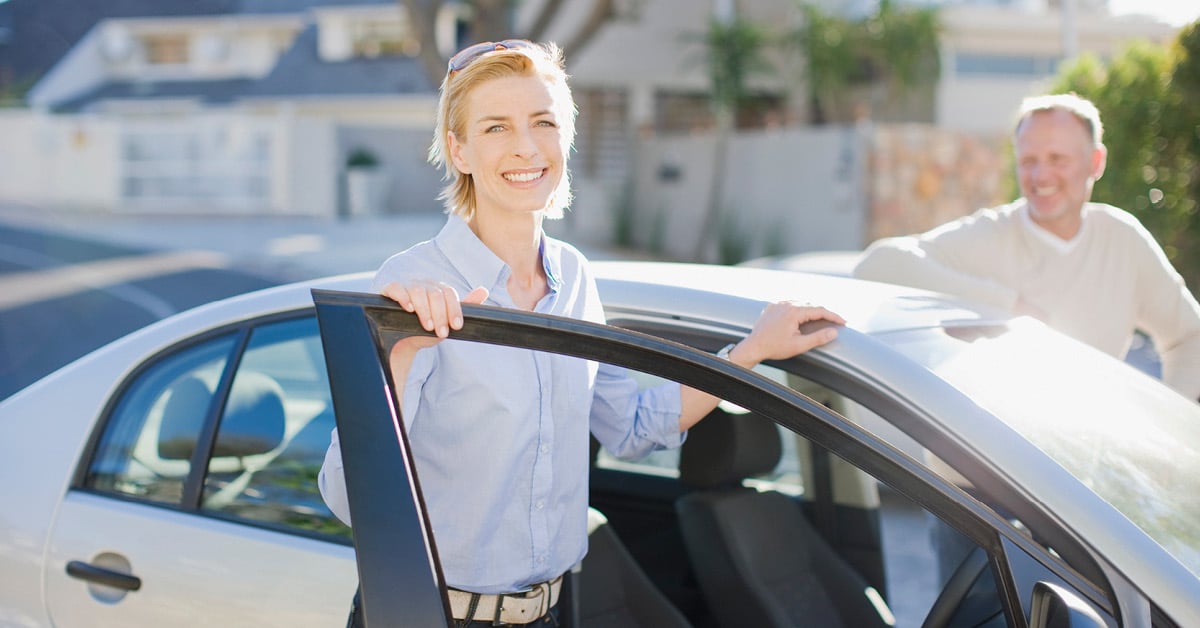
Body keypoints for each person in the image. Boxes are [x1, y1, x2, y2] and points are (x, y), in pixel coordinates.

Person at [318, 39, 845, 627]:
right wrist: (404, 352)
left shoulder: (572, 276)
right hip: (428, 615)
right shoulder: (412, 285)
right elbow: (346, 497)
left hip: (553, 612)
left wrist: (751, 354)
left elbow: (632, 428)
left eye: (543, 122)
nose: (525, 146)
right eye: (495, 128)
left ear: (565, 137)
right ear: (458, 149)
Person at [853, 93, 1200, 401]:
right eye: (1028, 161)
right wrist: (1003, 306)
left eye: (1057, 159)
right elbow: (877, 266)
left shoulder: (1123, 241)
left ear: (1095, 162)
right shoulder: (990, 235)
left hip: (1080, 468)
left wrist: (1169, 428)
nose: (1040, 176)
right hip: (975, 468)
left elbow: (1190, 336)